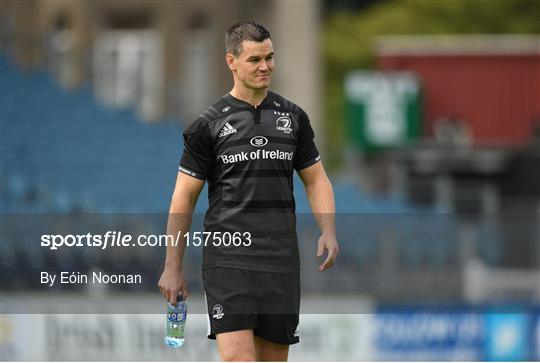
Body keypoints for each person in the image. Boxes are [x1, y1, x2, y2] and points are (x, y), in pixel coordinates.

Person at [158, 21, 339, 361]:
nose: (265, 67)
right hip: (229, 261)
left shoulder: (294, 118)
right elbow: (183, 197)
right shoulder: (207, 125)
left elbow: (316, 179)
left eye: (270, 58)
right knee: (238, 358)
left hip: (281, 261)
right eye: (255, 59)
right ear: (232, 62)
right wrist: (173, 266)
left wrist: (327, 229)